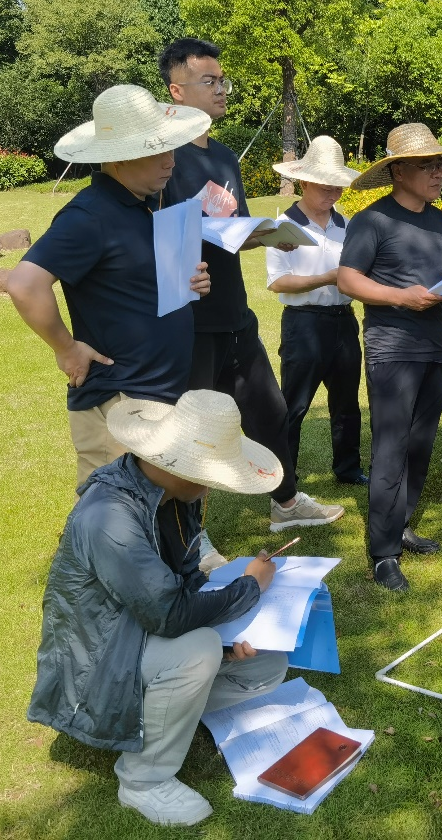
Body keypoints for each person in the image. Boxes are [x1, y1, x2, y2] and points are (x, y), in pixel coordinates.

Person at [27, 389, 289, 827]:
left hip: (139, 637)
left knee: (267, 665)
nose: (211, 486)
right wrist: (249, 589)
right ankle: (143, 781)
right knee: (200, 650)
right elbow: (166, 614)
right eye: (209, 474)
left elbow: (179, 585)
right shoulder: (110, 516)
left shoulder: (169, 496)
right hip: (97, 665)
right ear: (177, 464)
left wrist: (231, 640)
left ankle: (169, 713)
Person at [160, 38, 344, 541]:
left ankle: (285, 501)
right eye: (209, 81)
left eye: (223, 80)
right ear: (177, 91)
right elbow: (154, 236)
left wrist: (259, 233)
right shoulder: (160, 159)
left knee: (270, 409)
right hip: (188, 318)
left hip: (235, 312)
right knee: (195, 430)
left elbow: (234, 228)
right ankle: (189, 539)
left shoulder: (223, 156)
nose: (222, 89)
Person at [8, 84, 211, 487]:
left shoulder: (142, 203)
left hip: (157, 392)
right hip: (119, 403)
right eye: (159, 151)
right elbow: (24, 283)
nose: (172, 161)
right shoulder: (90, 215)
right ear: (118, 158)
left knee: (156, 517)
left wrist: (191, 283)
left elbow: (131, 280)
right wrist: (67, 349)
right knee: (115, 522)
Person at [338, 123, 442, 592]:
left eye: (440, 163)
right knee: (391, 450)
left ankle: (400, 524)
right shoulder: (371, 221)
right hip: (391, 350)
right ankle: (382, 553)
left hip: (436, 349)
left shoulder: (440, 220)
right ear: (398, 171)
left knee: (420, 447)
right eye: (428, 165)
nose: (439, 172)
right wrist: (400, 298)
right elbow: (348, 280)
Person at [266, 137, 368, 490]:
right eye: (325, 185)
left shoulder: (348, 224)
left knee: (347, 403)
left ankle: (348, 468)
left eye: (338, 185)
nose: (333, 192)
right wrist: (326, 278)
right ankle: (283, 479)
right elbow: (278, 282)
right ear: (304, 181)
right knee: (293, 406)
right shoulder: (282, 226)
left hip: (343, 321)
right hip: (303, 324)